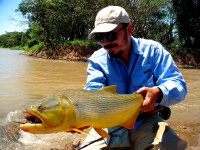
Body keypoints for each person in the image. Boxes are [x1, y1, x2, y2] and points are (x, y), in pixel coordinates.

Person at [80, 5, 187, 150]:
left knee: (170, 145)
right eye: (100, 37)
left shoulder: (154, 51)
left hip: (146, 120)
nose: (105, 42)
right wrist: (81, 116)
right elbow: (91, 93)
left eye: (111, 35)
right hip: (110, 123)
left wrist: (159, 92)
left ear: (129, 30)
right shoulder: (97, 60)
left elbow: (178, 84)